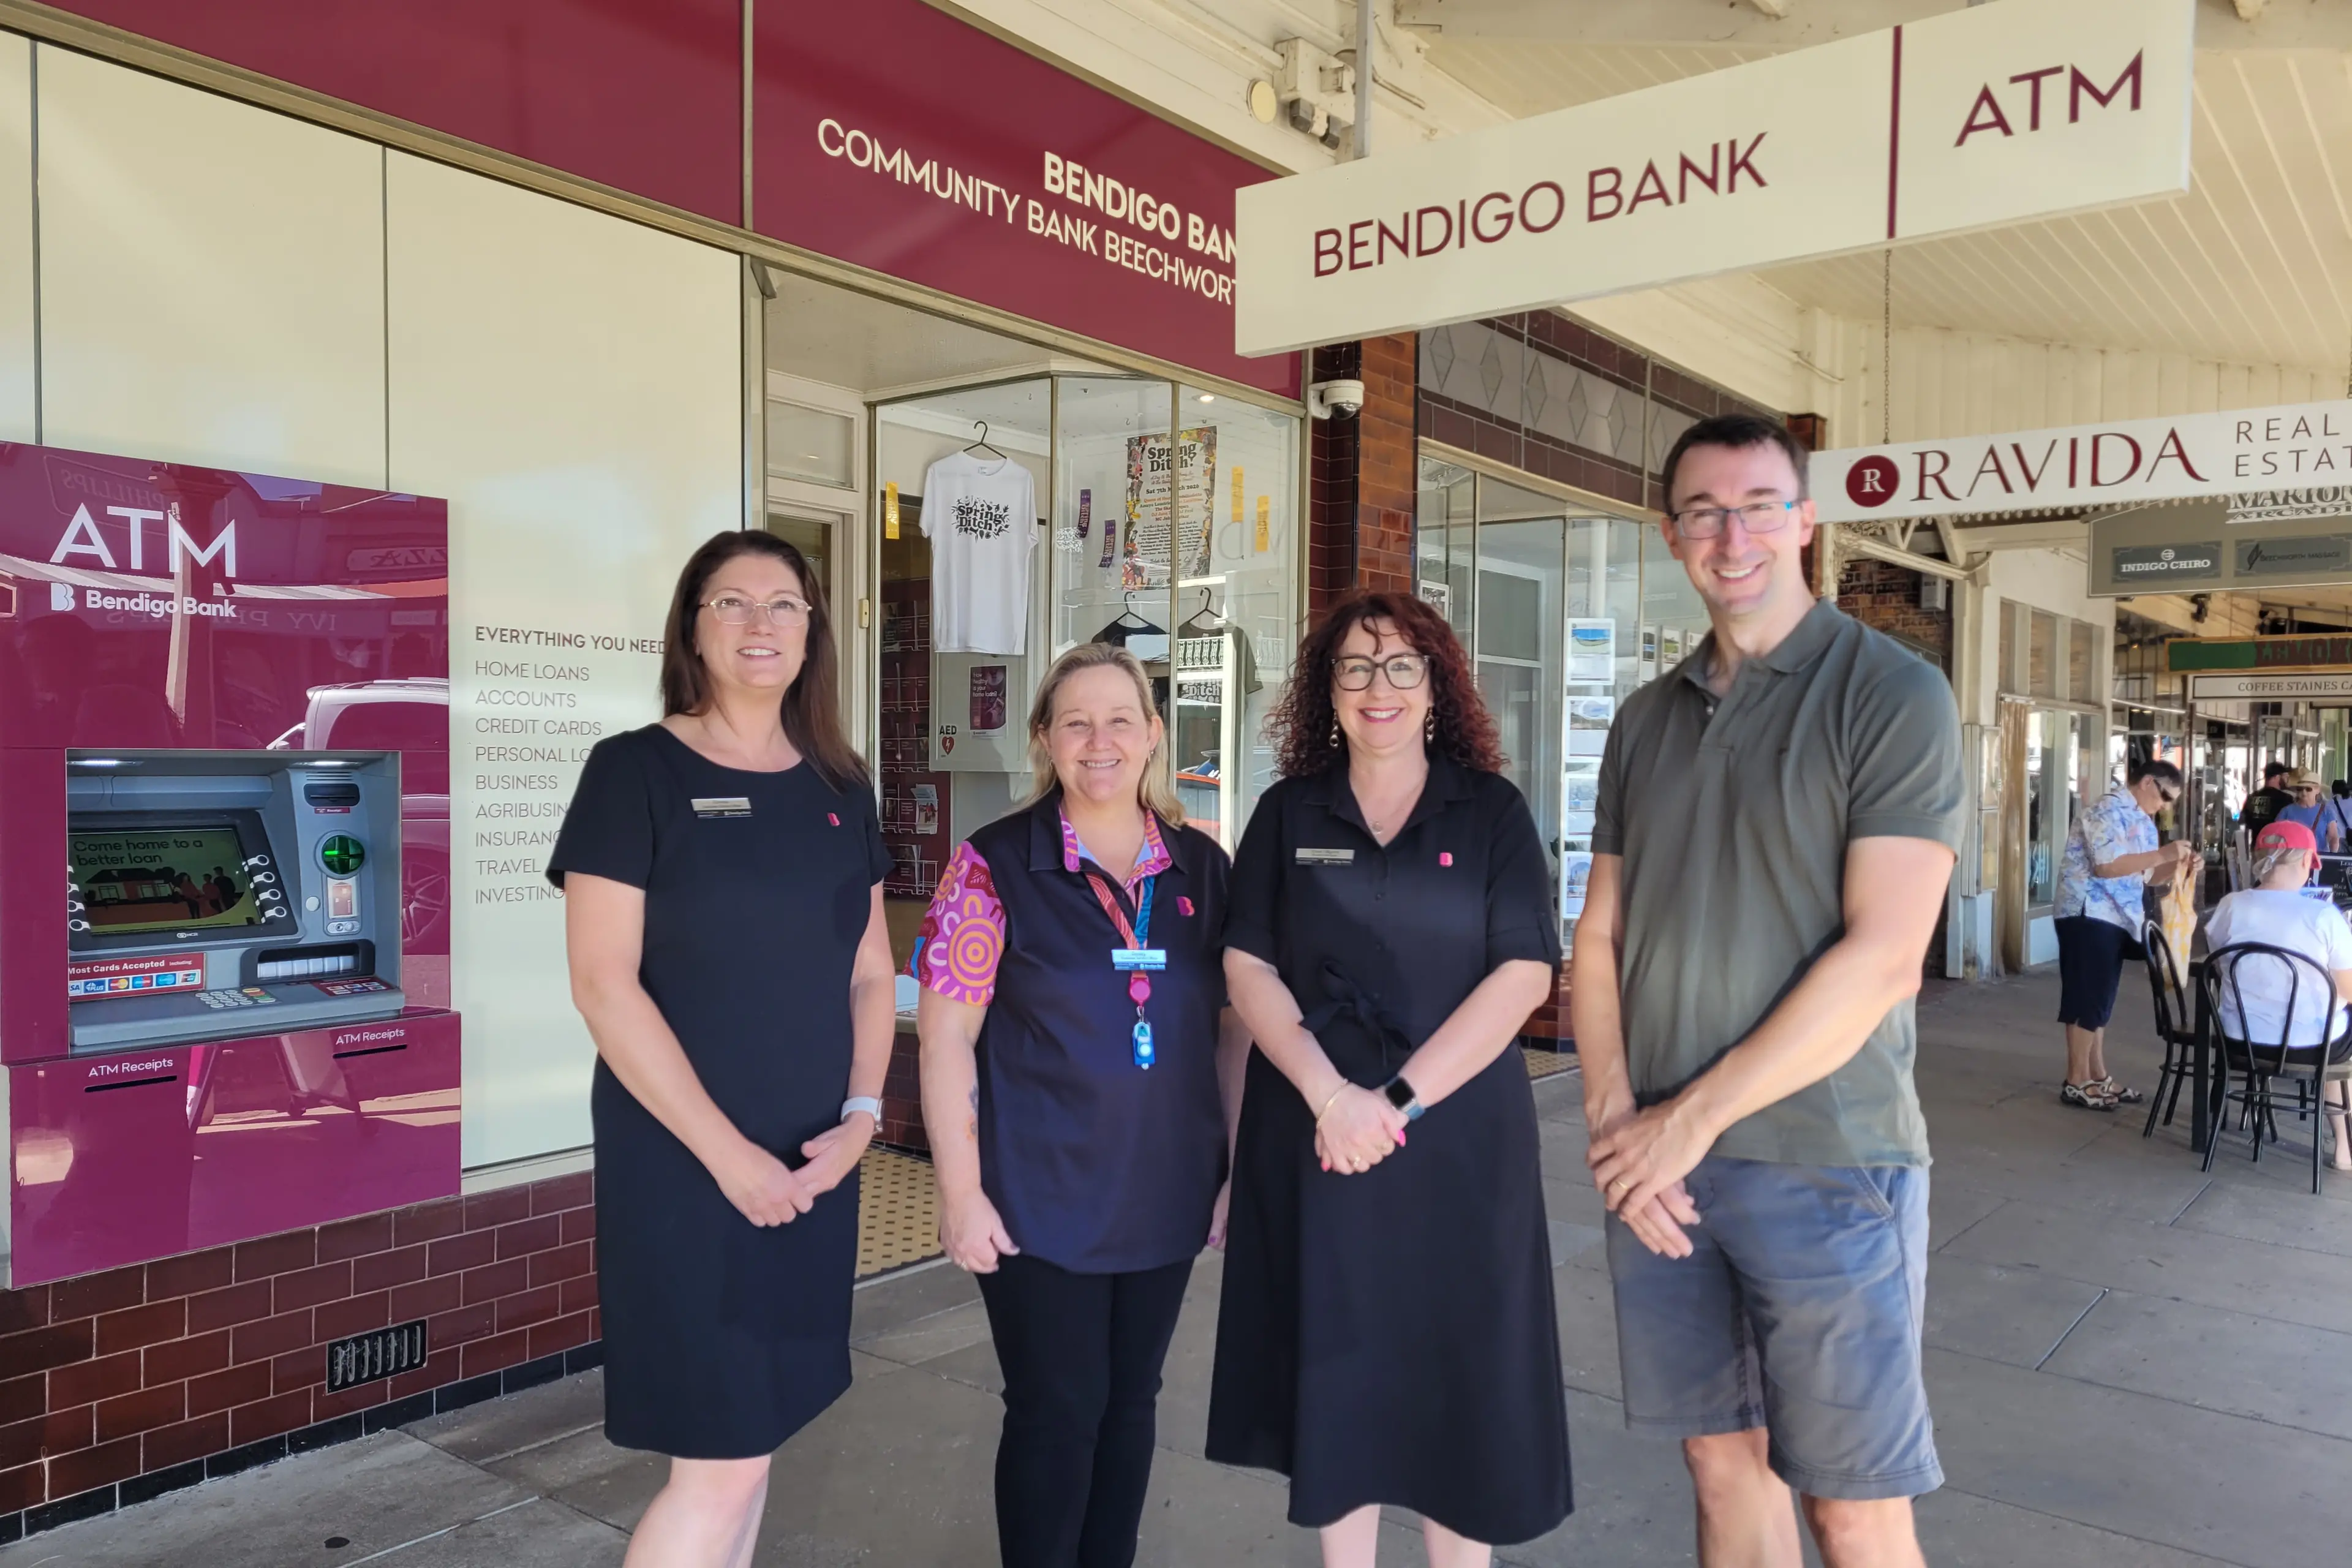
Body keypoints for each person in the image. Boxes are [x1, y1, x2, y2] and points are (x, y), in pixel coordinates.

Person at [1570, 413, 1964, 1568]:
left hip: (1827, 1161)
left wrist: (1680, 1124)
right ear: (1671, 534)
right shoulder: (1646, 720)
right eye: (1702, 511)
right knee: (1719, 1467)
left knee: (1852, 1503)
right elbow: (1598, 940)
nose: (1729, 534)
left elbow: (1885, 956)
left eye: (1755, 506)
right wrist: (1613, 1127)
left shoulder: (1892, 694)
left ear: (1803, 521)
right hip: (1659, 1172)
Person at [549, 531, 895, 1568]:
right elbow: (603, 986)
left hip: (811, 1157)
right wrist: (727, 1156)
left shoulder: (841, 780)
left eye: (783, 604)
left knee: (757, 1435)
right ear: (692, 628)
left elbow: (872, 970)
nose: (760, 624)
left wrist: (864, 1117)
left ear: (812, 630)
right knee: (720, 1453)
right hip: (688, 1165)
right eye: (732, 603)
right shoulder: (633, 773)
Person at [1207, 590, 1570, 1568]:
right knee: (1344, 1364)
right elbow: (1248, 967)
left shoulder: (1490, 810)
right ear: (1327, 690)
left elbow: (1524, 973)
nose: (1380, 688)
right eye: (1356, 668)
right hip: (1320, 1132)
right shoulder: (1289, 811)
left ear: (1437, 687)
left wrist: (1396, 1102)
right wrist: (1333, 1098)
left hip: (1456, 1136)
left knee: (1461, 1372)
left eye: (1403, 666)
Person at [914, 643, 1249, 1568]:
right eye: (1076, 723)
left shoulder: (1203, 871)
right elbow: (945, 1040)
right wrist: (961, 1190)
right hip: (1036, 1195)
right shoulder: (992, 868)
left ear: (1151, 736)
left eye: (1119, 721)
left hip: (1167, 1190)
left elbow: (1235, 1031)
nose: (1099, 741)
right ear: (1045, 742)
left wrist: (1232, 1171)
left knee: (1132, 1401)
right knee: (1057, 1409)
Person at [2204, 819, 2352, 1172]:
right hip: (2311, 1044)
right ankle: (2343, 1149)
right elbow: (2347, 991)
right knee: (2341, 1036)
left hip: (2240, 1039)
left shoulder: (2230, 905)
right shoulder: (2324, 916)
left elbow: (2220, 966)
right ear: (2306, 862)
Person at [2054, 759, 2192, 1110]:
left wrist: (2177, 867)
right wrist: (2163, 853)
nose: (2164, 805)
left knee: (2100, 998)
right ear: (2147, 782)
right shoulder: (2106, 809)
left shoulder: (2144, 823)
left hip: (2117, 916)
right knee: (2086, 998)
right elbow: (2107, 864)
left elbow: (2146, 877)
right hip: (2088, 910)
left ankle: (2097, 1076)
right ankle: (2077, 1079)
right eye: (2164, 795)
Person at [2274, 769, 2345, 852]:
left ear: (2317, 790)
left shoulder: (2326, 811)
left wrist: (2333, 858)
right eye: (2300, 789)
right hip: (2293, 860)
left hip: (2319, 859)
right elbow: (2276, 835)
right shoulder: (2286, 811)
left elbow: (2333, 837)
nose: (2304, 792)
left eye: (2308, 789)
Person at [2241, 760, 2293, 835]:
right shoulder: (2285, 799)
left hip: (2257, 844)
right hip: (2277, 844)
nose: (2286, 780)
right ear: (2277, 777)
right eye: (2285, 777)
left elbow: (2244, 820)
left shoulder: (2253, 797)